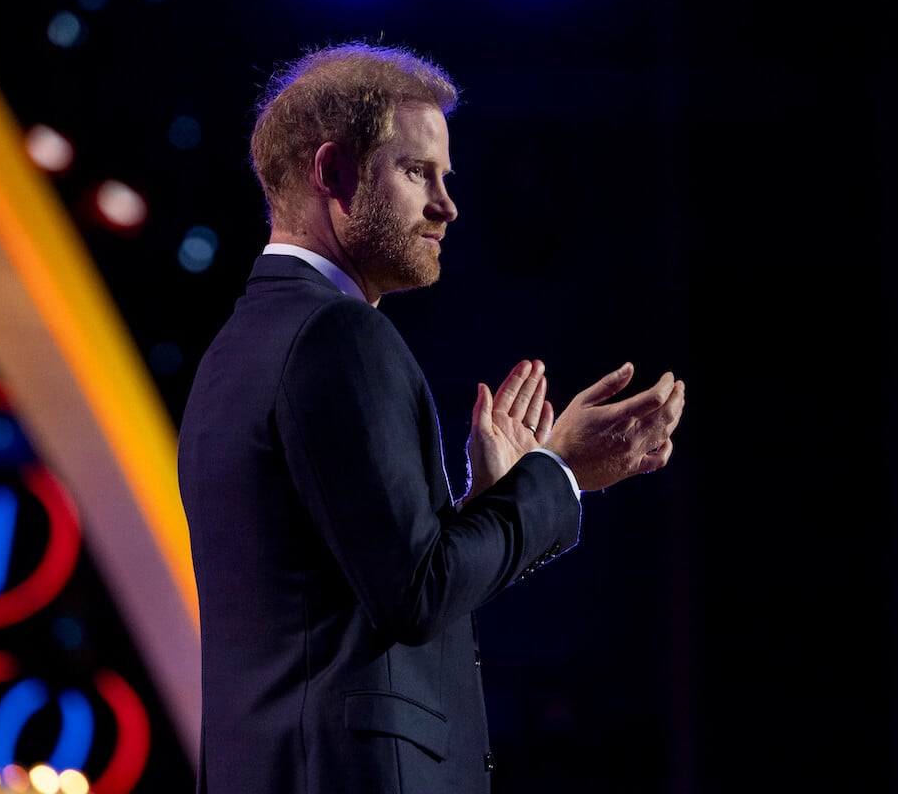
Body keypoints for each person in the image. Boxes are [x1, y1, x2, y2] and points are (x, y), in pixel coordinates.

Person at [176, 40, 686, 794]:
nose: (448, 204)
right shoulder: (339, 335)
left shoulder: (235, 350)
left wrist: (490, 505)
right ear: (333, 173)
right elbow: (416, 594)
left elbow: (370, 589)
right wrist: (560, 472)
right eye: (418, 172)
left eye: (444, 177)